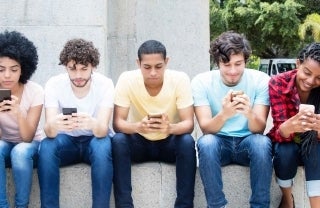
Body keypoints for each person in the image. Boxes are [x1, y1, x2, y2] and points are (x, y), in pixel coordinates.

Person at [191, 31, 272, 208]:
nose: (233, 71)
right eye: (226, 64)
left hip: (248, 141)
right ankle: (218, 205)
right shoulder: (201, 82)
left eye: (238, 64)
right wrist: (225, 114)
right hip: (219, 142)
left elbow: (259, 129)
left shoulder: (260, 80)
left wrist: (249, 113)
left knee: (261, 143)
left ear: (246, 61)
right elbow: (206, 128)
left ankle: (260, 206)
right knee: (206, 143)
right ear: (217, 63)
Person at [112, 39, 196, 208]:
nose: (153, 73)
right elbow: (117, 123)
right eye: (147, 67)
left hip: (169, 142)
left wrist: (170, 127)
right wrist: (138, 126)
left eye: (158, 66)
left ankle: (184, 205)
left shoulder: (179, 79)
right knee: (118, 140)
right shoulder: (127, 79)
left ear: (166, 62)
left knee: (187, 141)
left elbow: (189, 124)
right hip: (139, 142)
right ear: (138, 63)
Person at [37, 38, 114, 208]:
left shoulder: (105, 84)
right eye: (72, 69)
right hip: (66, 141)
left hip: (94, 140)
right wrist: (55, 124)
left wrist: (92, 123)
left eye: (84, 69)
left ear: (93, 66)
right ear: (66, 67)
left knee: (103, 145)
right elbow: (49, 131)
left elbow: (102, 130)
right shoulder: (54, 84)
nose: (78, 75)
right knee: (48, 146)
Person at [267, 42, 320, 208]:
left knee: (314, 150)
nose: (311, 81)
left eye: (319, 77)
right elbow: (278, 132)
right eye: (307, 72)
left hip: (315, 145)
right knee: (285, 151)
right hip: (287, 143)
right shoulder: (278, 83)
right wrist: (289, 126)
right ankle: (288, 202)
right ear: (298, 63)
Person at [0, 30, 44, 208]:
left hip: (31, 143)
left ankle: (21, 205)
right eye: (1, 69)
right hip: (4, 141)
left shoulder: (35, 91)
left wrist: (18, 112)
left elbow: (27, 137)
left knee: (20, 151)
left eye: (14, 69)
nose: (7, 75)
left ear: (23, 69)